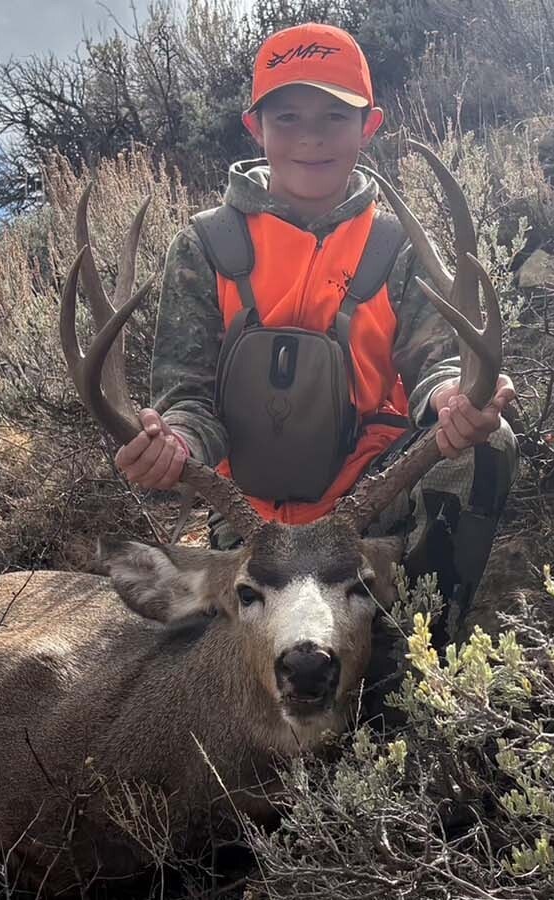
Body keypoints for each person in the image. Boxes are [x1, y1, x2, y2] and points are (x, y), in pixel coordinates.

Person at [115, 22, 519, 659]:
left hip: (367, 503)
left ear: (369, 124)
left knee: (485, 445)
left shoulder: (396, 248)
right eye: (288, 116)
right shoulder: (205, 246)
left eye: (335, 116)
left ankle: (417, 659)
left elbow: (433, 360)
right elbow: (187, 397)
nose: (310, 137)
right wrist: (173, 444)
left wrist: (450, 398)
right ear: (256, 126)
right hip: (250, 520)